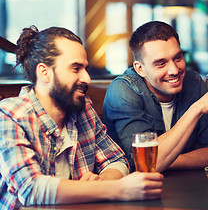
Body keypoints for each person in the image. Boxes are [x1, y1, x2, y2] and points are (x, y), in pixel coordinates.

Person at [0, 26, 163, 209]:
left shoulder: (83, 108)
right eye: (75, 68)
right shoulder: (10, 115)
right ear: (44, 72)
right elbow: (31, 189)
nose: (87, 78)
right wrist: (117, 189)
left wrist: (102, 180)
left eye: (85, 68)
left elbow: (117, 159)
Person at [103, 21, 208, 172]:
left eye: (178, 58)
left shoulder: (192, 82)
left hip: (183, 187)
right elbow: (146, 165)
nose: (174, 70)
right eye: (161, 63)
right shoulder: (123, 91)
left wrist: (166, 158)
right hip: (134, 190)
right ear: (140, 69)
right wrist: (197, 109)